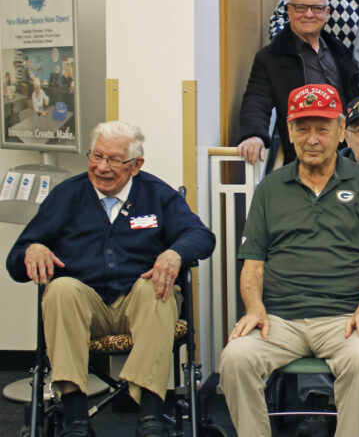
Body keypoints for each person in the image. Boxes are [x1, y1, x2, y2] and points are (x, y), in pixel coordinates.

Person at [6, 121, 215, 437]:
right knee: (60, 288)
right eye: (96, 156)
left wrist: (175, 253)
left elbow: (201, 236)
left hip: (142, 305)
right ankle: (75, 418)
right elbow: (15, 263)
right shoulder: (67, 195)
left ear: (136, 165)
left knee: (157, 289)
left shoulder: (157, 195)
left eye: (114, 160)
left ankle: (151, 417)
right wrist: (33, 249)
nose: (101, 167)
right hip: (84, 308)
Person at [219, 84, 359, 437]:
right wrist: (254, 308)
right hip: (278, 320)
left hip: (344, 318)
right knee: (236, 358)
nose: (312, 139)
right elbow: (253, 263)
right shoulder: (270, 187)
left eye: (322, 128)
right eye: (302, 128)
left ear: (341, 132)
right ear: (290, 132)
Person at [236, 0, 359, 166]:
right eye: (301, 7)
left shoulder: (339, 50)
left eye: (316, 8)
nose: (309, 14)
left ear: (326, 14)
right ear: (290, 11)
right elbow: (256, 99)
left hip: (348, 152)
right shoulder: (271, 58)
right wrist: (254, 134)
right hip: (308, 151)